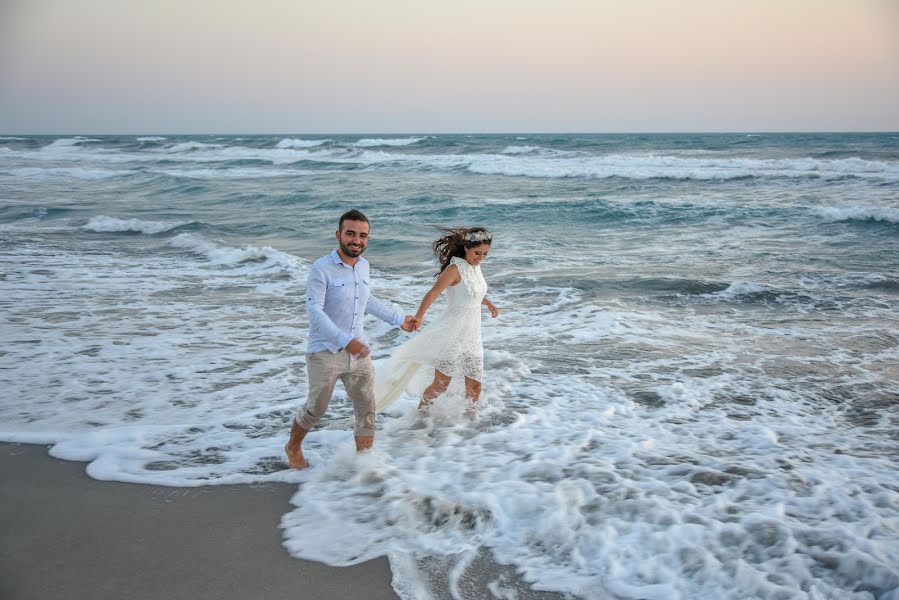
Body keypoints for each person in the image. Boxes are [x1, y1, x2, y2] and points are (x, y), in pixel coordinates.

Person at [285, 209, 415, 469]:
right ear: (339, 235)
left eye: (363, 236)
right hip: (325, 351)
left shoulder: (364, 266)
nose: (357, 240)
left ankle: (365, 463)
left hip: (359, 352)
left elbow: (368, 300)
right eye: (351, 234)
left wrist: (399, 318)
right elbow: (315, 312)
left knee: (367, 407)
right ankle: (293, 446)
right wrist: (346, 341)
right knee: (316, 410)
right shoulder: (321, 269)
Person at [375, 226, 499, 414]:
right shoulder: (454, 269)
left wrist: (488, 303)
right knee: (441, 385)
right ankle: (421, 417)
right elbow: (433, 293)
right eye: (477, 253)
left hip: (473, 337)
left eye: (485, 254)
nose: (480, 257)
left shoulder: (476, 267)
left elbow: (472, 292)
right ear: (466, 248)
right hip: (452, 335)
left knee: (475, 387)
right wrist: (419, 316)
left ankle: (470, 426)